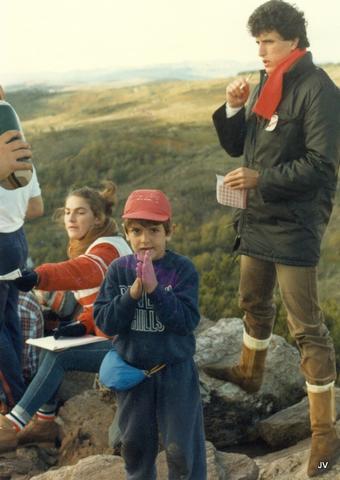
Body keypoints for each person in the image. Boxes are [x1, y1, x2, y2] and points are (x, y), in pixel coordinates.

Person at [204, 1, 340, 477]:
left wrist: (260, 178)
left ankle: (325, 434)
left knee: (306, 327)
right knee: (251, 299)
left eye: (268, 41)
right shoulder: (271, 80)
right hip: (260, 218)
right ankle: (249, 370)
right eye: (258, 42)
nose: (260, 50)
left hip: (296, 222)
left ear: (293, 42)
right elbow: (240, 146)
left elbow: (322, 166)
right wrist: (235, 107)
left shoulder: (319, 89)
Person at [0, 182, 131, 453]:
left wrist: (38, 276)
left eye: (80, 212)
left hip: (129, 344)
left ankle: (13, 425)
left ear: (98, 218)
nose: (70, 218)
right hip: (116, 336)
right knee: (55, 339)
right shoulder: (95, 245)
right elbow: (99, 304)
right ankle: (45, 423)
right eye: (67, 211)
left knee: (60, 355)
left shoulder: (108, 249)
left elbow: (83, 270)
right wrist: (81, 325)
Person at [94, 189, 207, 480]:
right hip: (134, 373)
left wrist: (156, 290)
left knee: (181, 448)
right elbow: (105, 322)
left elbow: (186, 321)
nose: (145, 239)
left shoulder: (182, 270)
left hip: (174, 372)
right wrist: (132, 293)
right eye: (137, 231)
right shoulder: (119, 271)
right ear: (127, 234)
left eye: (154, 230)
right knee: (133, 446)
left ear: (168, 231)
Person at [0, 159, 43, 412]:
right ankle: (21, 401)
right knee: (8, 321)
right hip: (16, 239)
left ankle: (15, 403)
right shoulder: (19, 151)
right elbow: (36, 207)